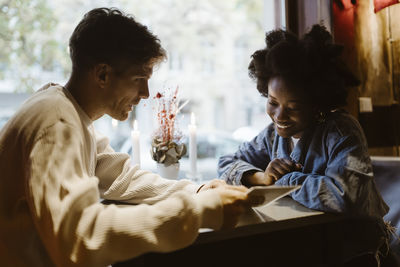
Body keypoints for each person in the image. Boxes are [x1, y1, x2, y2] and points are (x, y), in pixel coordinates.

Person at [0, 8, 254, 267]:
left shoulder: (69, 114)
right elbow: (81, 237)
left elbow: (122, 178)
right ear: (102, 75)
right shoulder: (57, 123)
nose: (145, 93)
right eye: (139, 79)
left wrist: (198, 190)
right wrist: (200, 212)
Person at [218, 25, 389, 218]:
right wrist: (262, 178)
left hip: (355, 243)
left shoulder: (341, 132)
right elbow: (226, 163)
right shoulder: (272, 135)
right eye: (273, 102)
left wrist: (284, 180)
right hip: (306, 238)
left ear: (317, 104)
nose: (279, 116)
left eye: (293, 107)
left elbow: (345, 196)